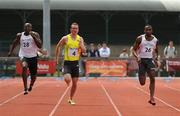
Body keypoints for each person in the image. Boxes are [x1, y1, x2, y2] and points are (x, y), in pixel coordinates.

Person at [8, 23, 44, 95]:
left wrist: (34, 37)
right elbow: (15, 43)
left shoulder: (35, 34)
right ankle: (25, 88)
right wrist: (10, 51)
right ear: (24, 28)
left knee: (33, 76)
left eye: (29, 27)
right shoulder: (20, 35)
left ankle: (31, 85)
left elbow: (40, 45)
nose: (27, 28)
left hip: (33, 56)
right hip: (23, 55)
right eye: (26, 27)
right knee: (24, 67)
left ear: (31, 28)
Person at [55, 22, 86, 105]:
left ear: (78, 30)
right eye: (73, 28)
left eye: (76, 28)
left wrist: (81, 45)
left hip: (75, 63)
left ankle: (70, 98)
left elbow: (84, 51)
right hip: (67, 63)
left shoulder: (80, 39)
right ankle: (66, 78)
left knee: (75, 84)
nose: (74, 30)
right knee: (68, 79)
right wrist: (57, 58)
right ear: (70, 29)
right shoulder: (65, 38)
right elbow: (58, 46)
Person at [132, 25, 159, 105]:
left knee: (153, 78)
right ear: (144, 31)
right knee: (142, 82)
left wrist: (156, 58)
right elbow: (133, 50)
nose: (148, 31)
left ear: (152, 31)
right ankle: (143, 74)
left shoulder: (155, 40)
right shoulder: (140, 38)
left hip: (150, 60)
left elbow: (157, 51)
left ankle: (151, 98)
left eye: (150, 30)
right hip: (142, 61)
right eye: (147, 30)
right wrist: (137, 57)